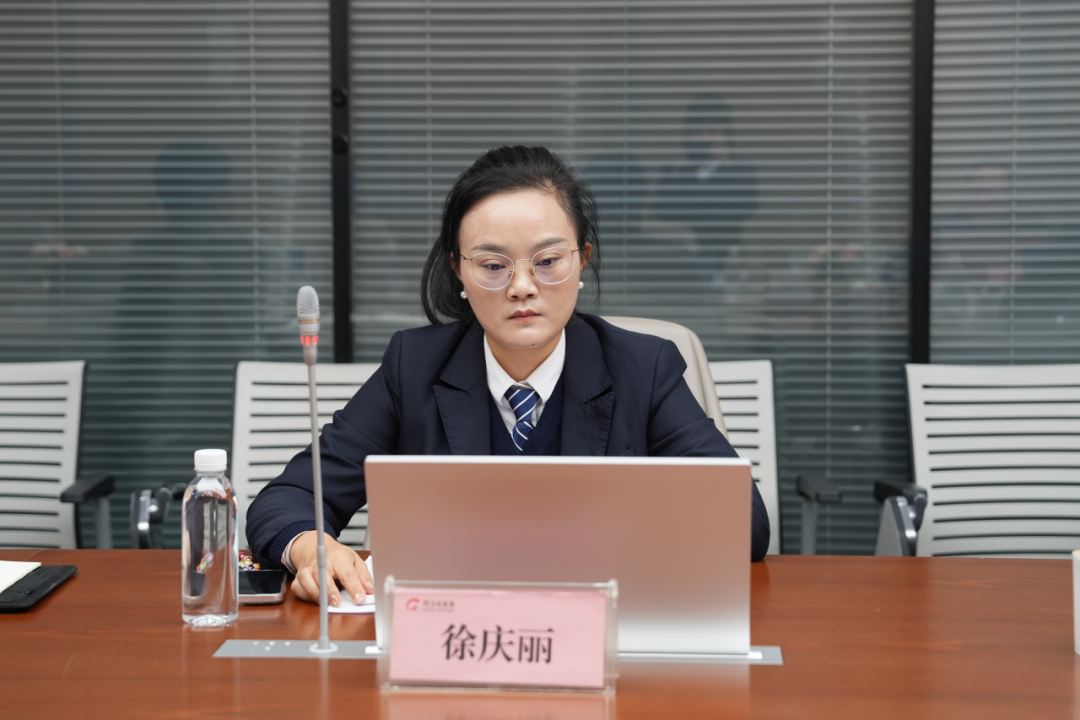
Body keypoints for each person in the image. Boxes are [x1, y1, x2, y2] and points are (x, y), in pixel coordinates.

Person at [246, 146, 771, 607]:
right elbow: (288, 498)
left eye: (548, 260)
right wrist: (311, 547)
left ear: (582, 261)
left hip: (603, 629)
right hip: (456, 635)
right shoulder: (414, 366)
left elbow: (742, 520)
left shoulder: (643, 368)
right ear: (459, 270)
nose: (522, 286)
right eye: (494, 266)